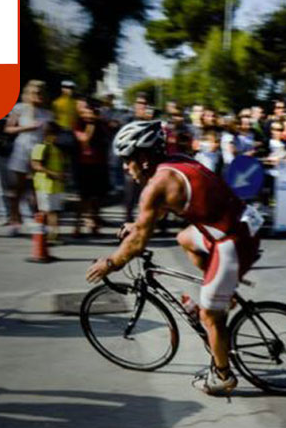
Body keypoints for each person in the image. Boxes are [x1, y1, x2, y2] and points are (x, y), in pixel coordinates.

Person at [86, 120, 263, 396]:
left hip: (232, 242)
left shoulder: (156, 185)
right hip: (238, 225)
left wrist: (110, 263)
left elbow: (137, 243)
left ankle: (223, 375)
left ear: (143, 158)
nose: (124, 166)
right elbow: (164, 207)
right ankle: (220, 293)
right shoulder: (175, 162)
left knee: (209, 315)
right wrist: (138, 226)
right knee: (184, 238)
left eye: (127, 159)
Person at [5, 81, 52, 235]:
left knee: (36, 189)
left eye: (39, 93)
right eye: (33, 93)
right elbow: (8, 129)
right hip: (21, 150)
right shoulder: (19, 108)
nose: (36, 96)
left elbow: (49, 136)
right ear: (27, 94)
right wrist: (26, 128)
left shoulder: (47, 113)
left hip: (38, 153)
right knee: (16, 189)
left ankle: (37, 221)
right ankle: (14, 221)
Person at [73, 97, 110, 237]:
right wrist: (91, 124)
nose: (89, 114)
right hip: (83, 165)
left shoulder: (101, 124)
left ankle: (95, 227)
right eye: (87, 110)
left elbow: (109, 137)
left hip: (99, 164)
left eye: (92, 111)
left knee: (97, 198)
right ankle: (77, 227)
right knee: (83, 198)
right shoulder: (79, 123)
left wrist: (100, 121)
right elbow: (84, 140)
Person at [31, 122, 66, 245]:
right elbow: (36, 165)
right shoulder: (41, 147)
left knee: (54, 210)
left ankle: (52, 234)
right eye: (54, 134)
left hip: (56, 185)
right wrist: (53, 174)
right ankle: (47, 235)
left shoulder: (56, 148)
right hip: (45, 184)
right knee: (47, 211)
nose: (57, 137)